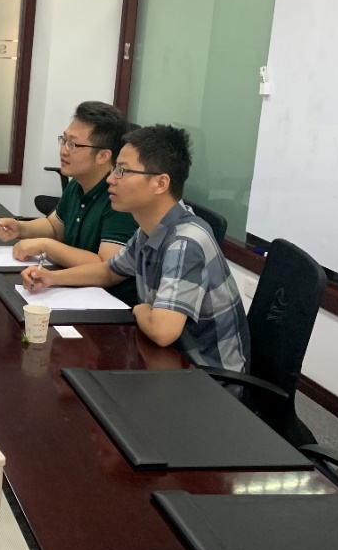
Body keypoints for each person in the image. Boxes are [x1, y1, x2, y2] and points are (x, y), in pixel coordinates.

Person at [21, 124, 249, 374]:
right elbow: (108, 271)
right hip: (167, 363)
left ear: (160, 183)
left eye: (122, 171)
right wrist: (52, 278)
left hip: (209, 379)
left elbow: (162, 332)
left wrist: (141, 310)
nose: (110, 179)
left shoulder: (185, 243)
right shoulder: (148, 231)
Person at [0, 101, 138, 302]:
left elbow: (106, 266)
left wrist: (46, 246)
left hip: (109, 303)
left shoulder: (118, 197)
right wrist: (20, 228)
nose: (63, 150)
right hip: (74, 291)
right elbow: (54, 227)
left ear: (103, 156)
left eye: (73, 144)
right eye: (64, 140)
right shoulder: (77, 184)